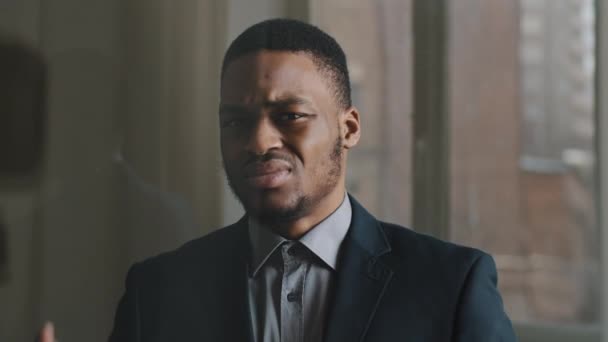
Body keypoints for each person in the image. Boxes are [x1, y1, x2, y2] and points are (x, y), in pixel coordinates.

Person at [40, 18, 516, 342]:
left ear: (348, 128)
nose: (258, 141)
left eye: (290, 115)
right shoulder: (157, 291)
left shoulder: (452, 287)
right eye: (235, 122)